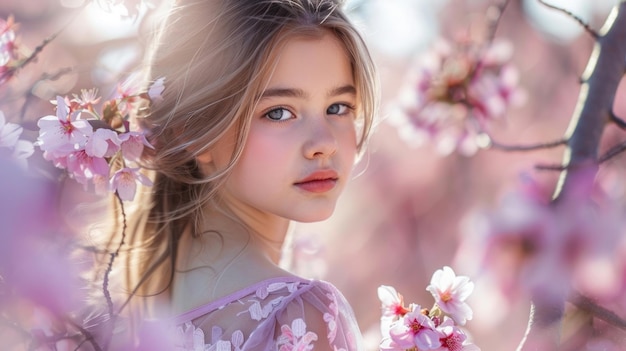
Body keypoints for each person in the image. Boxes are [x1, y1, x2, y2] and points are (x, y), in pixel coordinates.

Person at [103, 0, 378, 349]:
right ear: (193, 133)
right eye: (279, 113)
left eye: (338, 108)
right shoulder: (297, 315)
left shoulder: (111, 326)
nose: (324, 144)